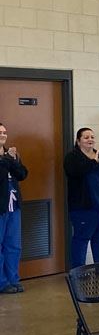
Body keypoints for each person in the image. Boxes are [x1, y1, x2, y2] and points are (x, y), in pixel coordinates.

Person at [64, 128, 99, 269]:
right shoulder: (72, 157)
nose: (90, 140)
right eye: (86, 137)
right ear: (78, 141)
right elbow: (76, 171)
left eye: (92, 137)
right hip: (83, 208)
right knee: (81, 239)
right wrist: (94, 162)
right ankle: (78, 270)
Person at [0, 124, 28, 294]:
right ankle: (2, 282)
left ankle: (13, 278)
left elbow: (23, 174)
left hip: (14, 205)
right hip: (0, 207)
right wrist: (6, 161)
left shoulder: (12, 154)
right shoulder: (7, 158)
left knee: (14, 245)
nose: (3, 135)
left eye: (4, 132)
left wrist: (12, 160)